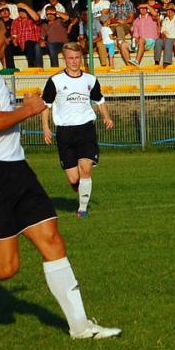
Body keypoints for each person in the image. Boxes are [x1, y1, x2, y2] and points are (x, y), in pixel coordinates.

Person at [0, 11, 120, 338]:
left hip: (15, 171)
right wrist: (28, 109)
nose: (8, 40)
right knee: (6, 267)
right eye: (4, 34)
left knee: (52, 239)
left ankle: (80, 326)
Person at [41, 43, 115, 219]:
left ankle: (82, 209)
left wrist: (106, 116)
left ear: (81, 58)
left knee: (86, 169)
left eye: (77, 58)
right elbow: (46, 106)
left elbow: (99, 100)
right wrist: (45, 127)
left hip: (86, 129)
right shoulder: (55, 81)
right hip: (65, 132)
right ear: (64, 59)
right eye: (70, 58)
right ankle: (80, 189)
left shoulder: (90, 80)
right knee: (74, 179)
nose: (74, 62)